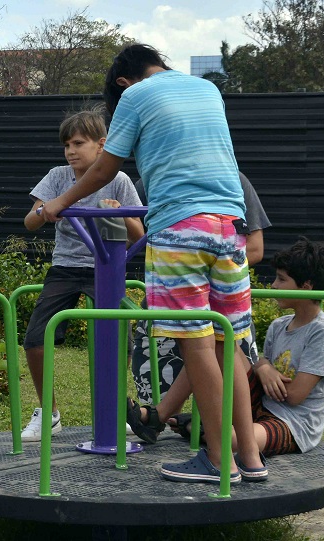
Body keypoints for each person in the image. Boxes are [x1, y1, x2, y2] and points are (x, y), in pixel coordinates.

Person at [40, 43, 264, 483]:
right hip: (229, 225)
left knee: (195, 342)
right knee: (229, 343)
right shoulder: (207, 89)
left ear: (123, 82)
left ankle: (218, 460)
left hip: (180, 227)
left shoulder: (135, 95)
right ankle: (251, 459)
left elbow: (104, 168)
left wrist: (59, 203)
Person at [20, 107, 144, 442]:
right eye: (67, 145)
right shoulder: (58, 177)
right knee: (35, 338)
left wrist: (121, 213)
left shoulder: (118, 180)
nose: (70, 151)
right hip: (65, 267)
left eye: (78, 144)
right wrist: (45, 211)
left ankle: (116, 408)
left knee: (119, 340)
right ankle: (49, 412)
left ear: (101, 145)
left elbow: (138, 233)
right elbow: (30, 221)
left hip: (105, 267)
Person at [127, 172, 271, 444]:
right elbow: (132, 238)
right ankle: (170, 419)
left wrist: (195, 271)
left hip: (213, 300)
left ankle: (219, 444)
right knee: (201, 355)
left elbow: (254, 248)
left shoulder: (232, 179)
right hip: (176, 299)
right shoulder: (153, 178)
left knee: (218, 353)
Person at [246, 237, 324, 459]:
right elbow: (264, 367)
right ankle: (193, 423)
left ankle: (203, 429)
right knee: (222, 348)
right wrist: (262, 367)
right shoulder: (278, 325)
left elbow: (294, 396)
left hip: (293, 423)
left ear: (306, 286)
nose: (273, 286)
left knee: (232, 439)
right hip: (263, 406)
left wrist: (264, 370)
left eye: (281, 279)